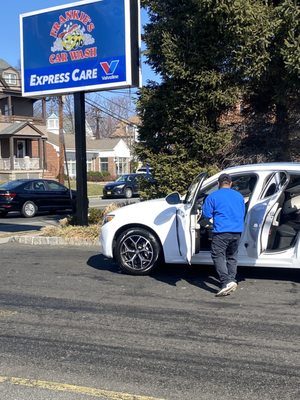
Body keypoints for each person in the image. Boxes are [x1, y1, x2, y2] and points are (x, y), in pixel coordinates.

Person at [202, 173, 245, 297]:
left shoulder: (213, 196)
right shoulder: (239, 196)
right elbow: (242, 212)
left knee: (217, 255)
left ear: (218, 184)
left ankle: (226, 281)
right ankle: (231, 280)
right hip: (237, 231)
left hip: (221, 231)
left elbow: (207, 215)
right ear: (230, 183)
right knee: (232, 256)